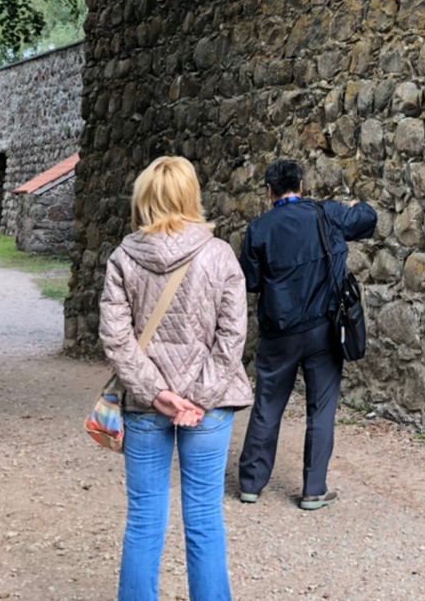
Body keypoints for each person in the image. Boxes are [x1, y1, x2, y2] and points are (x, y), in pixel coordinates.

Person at [100, 155, 252, 601]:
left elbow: (116, 338)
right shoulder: (219, 255)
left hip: (146, 405)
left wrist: (157, 393)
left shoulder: (123, 258)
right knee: (204, 517)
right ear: (191, 196)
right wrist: (200, 396)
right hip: (210, 406)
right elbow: (233, 336)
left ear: (144, 197)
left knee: (144, 517)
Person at [236, 158, 376, 510]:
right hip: (323, 331)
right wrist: (357, 205)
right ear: (301, 185)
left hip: (279, 333)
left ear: (269, 191)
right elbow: (367, 219)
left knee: (267, 405)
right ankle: (314, 489)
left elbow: (250, 282)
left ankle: (251, 484)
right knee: (321, 408)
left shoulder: (259, 229)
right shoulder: (327, 214)